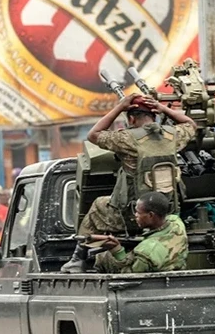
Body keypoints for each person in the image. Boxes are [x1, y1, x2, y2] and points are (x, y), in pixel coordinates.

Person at [62, 93, 196, 272]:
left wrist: (119, 107)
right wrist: (163, 107)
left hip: (131, 215)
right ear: (154, 114)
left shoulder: (127, 139)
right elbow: (191, 124)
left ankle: (78, 259)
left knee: (98, 206)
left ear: (131, 118)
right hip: (167, 212)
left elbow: (93, 135)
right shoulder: (173, 136)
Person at [94, 192, 188, 274]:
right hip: (174, 265)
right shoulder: (176, 222)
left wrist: (117, 250)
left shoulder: (147, 252)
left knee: (103, 257)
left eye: (138, 212)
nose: (135, 216)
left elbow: (128, 274)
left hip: (151, 283)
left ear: (151, 215)